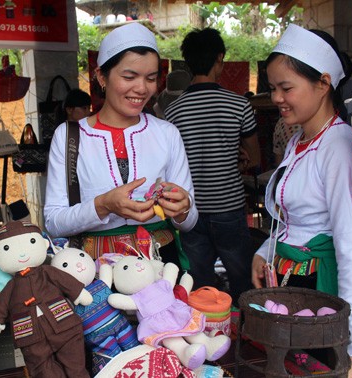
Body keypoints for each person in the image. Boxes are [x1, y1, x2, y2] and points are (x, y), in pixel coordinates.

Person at [250, 24, 352, 377]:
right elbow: (294, 221)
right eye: (272, 87)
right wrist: (265, 252)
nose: (275, 98)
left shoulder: (337, 147)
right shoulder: (298, 140)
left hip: (319, 294)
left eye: (286, 87)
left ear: (323, 83)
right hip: (293, 287)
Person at [44, 22, 197, 266]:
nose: (141, 88)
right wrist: (103, 205)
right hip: (93, 270)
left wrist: (183, 208)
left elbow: (189, 221)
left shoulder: (166, 133)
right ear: (101, 76)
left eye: (151, 78)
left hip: (160, 264)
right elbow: (53, 222)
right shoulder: (69, 137)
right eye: (129, 76)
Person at [164, 28, 260, 304]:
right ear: (220, 58)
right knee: (242, 278)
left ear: (187, 62)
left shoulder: (173, 111)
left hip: (188, 210)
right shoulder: (239, 105)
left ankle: (205, 334)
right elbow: (254, 159)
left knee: (199, 284)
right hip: (228, 206)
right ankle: (244, 331)